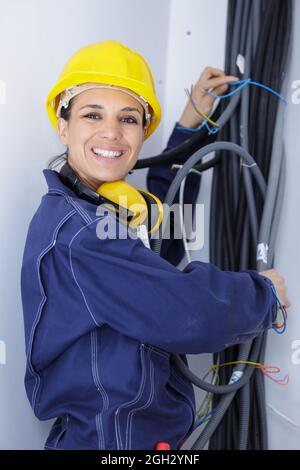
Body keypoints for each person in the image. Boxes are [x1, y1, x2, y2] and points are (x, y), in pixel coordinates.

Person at [20, 40, 289, 451]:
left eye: (128, 119)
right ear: (63, 124)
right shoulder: (81, 235)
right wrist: (263, 294)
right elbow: (187, 313)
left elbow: (160, 238)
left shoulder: (94, 211)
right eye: (93, 114)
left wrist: (189, 126)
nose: (111, 131)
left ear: (143, 131)